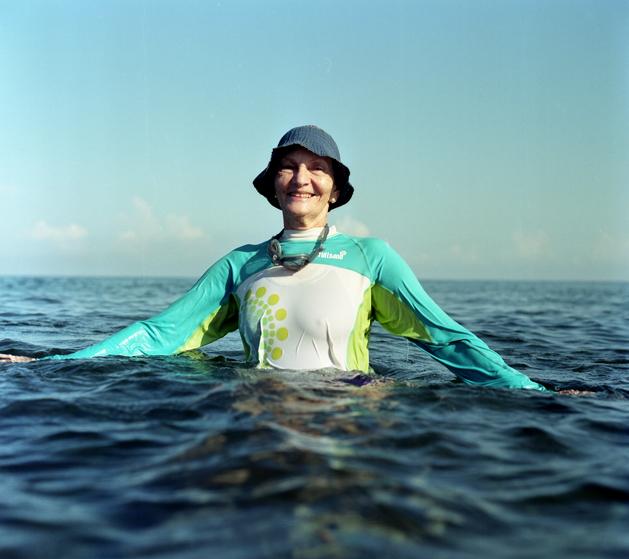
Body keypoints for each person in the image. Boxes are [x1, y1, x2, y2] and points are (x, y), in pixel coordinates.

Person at [1, 125, 546, 391]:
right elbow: (159, 335)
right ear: (273, 184)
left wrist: (534, 392)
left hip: (347, 415)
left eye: (317, 168)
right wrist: (53, 364)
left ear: (335, 189)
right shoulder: (240, 264)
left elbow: (444, 338)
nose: (301, 178)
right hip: (261, 416)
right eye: (289, 166)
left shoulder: (372, 257)